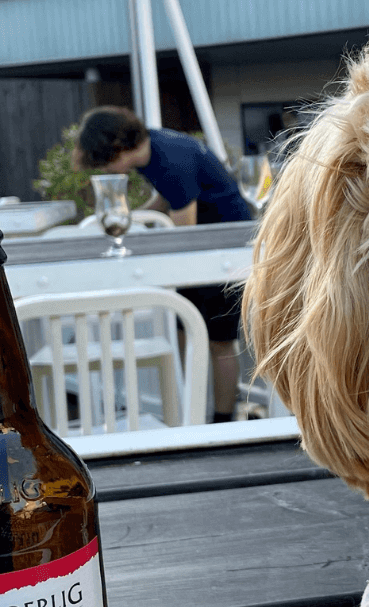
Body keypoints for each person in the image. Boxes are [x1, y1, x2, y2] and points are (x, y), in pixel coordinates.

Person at [73, 106, 251, 423]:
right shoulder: (153, 147)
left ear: (117, 149)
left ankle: (223, 419)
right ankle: (186, 411)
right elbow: (168, 198)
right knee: (183, 329)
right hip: (208, 246)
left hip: (222, 253)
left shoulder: (170, 161)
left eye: (104, 160)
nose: (105, 168)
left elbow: (183, 233)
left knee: (221, 341)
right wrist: (134, 220)